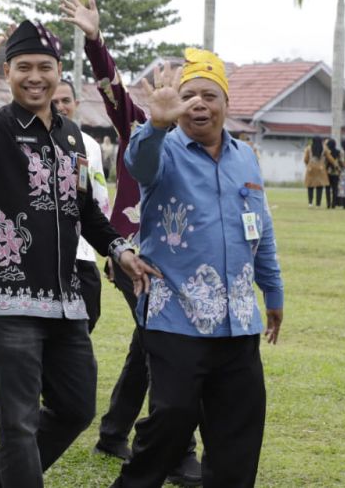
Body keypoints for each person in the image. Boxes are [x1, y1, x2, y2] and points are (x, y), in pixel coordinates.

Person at [0, 10, 146, 488]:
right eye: (23, 67)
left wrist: (118, 250)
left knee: (77, 406)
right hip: (6, 301)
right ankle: (12, 471)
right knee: (18, 421)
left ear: (58, 73)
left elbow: (86, 211)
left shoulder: (73, 136)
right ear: (8, 73)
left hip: (65, 302)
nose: (35, 77)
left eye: (44, 67)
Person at [113, 49, 284, 488]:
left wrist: (274, 292)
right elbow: (139, 166)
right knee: (173, 416)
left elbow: (259, 227)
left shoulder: (245, 157)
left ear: (227, 104)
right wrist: (156, 124)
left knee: (239, 429)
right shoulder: (160, 147)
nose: (199, 104)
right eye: (190, 95)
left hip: (238, 321)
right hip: (175, 315)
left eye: (211, 95)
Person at [64, 0, 202, 485]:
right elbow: (111, 88)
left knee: (148, 345)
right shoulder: (141, 128)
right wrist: (96, 40)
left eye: (197, 93)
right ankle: (178, 450)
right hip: (132, 257)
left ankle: (113, 430)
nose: (189, 101)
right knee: (167, 348)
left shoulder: (203, 147)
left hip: (179, 263)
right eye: (182, 92)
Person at [51, 77, 111, 332]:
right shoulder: (28, 139)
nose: (60, 106)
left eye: (66, 100)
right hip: (46, 253)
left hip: (83, 251)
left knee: (88, 317)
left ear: (76, 103)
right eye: (54, 101)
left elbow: (99, 198)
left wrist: (111, 248)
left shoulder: (90, 145)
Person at [303, 136, 332, 208]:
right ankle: (318, 204)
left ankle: (310, 203)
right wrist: (335, 165)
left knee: (310, 185)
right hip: (321, 168)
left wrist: (308, 165)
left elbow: (305, 159)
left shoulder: (308, 148)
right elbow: (329, 158)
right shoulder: (324, 148)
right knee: (319, 186)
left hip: (311, 168)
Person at [325, 138, 341, 208]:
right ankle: (333, 204)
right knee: (335, 189)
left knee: (327, 189)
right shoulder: (338, 152)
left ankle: (328, 204)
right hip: (336, 172)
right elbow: (340, 161)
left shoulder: (327, 152)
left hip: (327, 172)